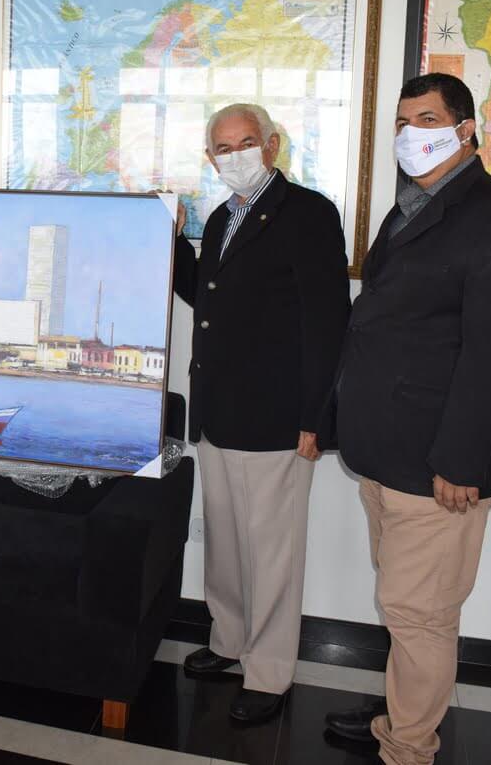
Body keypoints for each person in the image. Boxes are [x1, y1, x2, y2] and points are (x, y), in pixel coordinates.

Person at [323, 74, 491, 764]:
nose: (410, 134)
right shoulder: (413, 205)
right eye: (402, 122)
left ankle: (408, 747)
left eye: (426, 120)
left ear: (466, 130)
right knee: (406, 606)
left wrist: (460, 460)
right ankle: (402, 713)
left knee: (419, 614)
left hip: (438, 465)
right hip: (387, 452)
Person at [173, 103, 350, 723]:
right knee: (224, 542)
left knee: (271, 552)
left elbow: (328, 320)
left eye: (246, 142)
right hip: (220, 412)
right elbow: (207, 296)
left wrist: (316, 417)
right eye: (223, 147)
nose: (236, 155)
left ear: (272, 145)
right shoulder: (224, 216)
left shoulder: (308, 213)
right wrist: (172, 240)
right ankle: (229, 640)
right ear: (211, 158)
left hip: (278, 418)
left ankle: (269, 673)